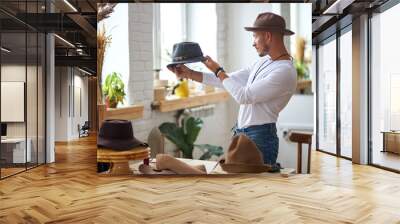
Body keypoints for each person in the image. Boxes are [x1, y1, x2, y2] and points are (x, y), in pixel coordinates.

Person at [168, 12, 297, 168]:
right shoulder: (263, 62)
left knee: (257, 189)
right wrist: (190, 73)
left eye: (255, 36)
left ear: (268, 36)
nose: (253, 43)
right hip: (242, 134)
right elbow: (229, 80)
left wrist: (218, 70)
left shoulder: (284, 71)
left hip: (261, 137)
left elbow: (244, 96)